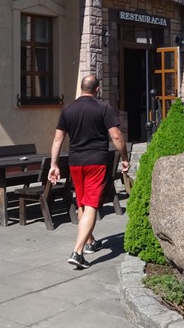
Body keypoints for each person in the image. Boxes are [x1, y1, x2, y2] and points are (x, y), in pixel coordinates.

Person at [49, 74, 129, 269]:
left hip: (75, 163)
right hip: (96, 162)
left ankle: (90, 241)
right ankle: (77, 252)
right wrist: (124, 158)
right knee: (92, 204)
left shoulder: (68, 109)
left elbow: (58, 139)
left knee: (82, 203)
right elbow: (116, 136)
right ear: (97, 89)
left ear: (81, 88)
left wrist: (54, 164)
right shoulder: (104, 108)